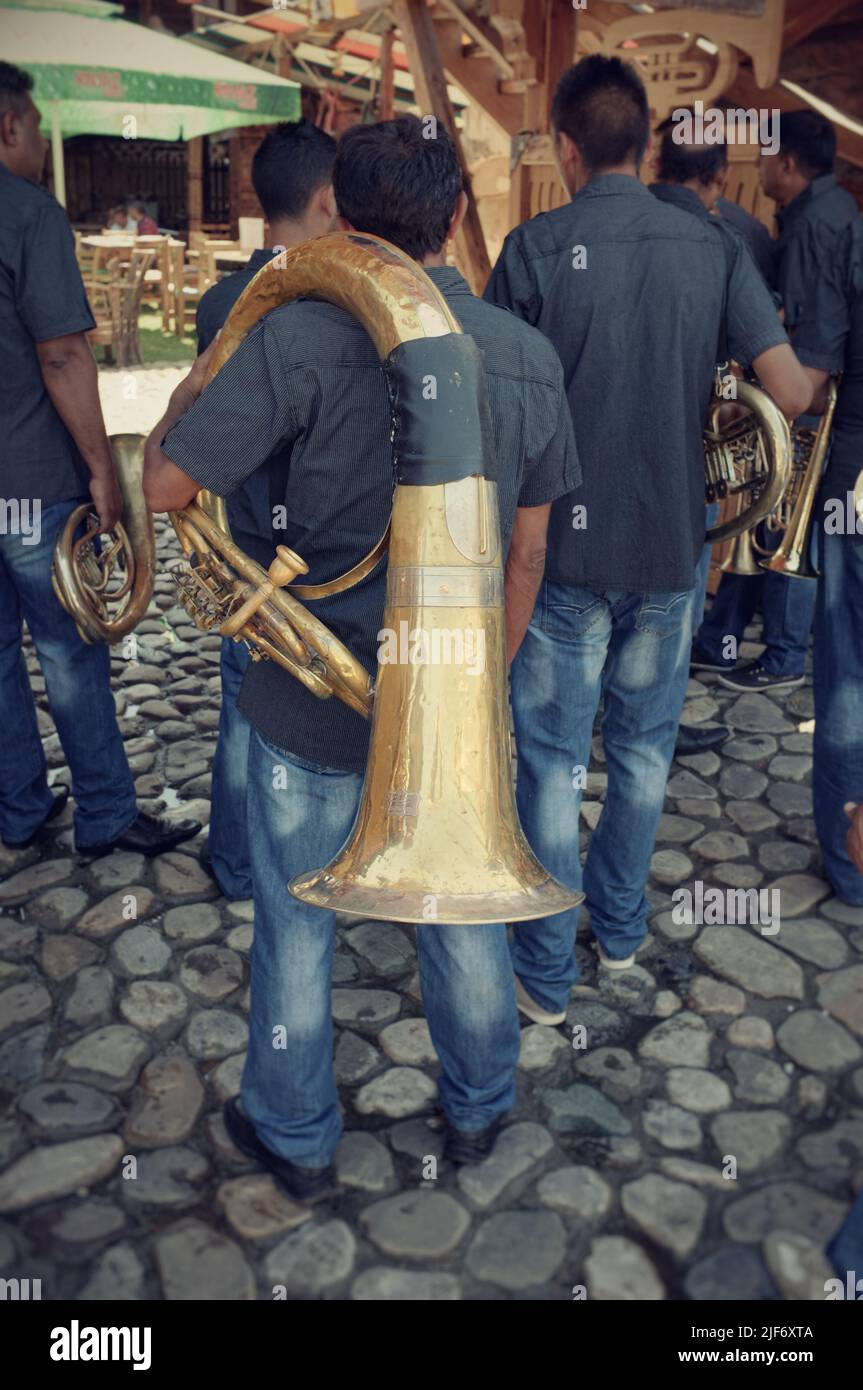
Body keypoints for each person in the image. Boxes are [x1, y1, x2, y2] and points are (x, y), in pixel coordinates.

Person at [143, 115, 580, 1195]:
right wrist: (470, 693)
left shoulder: (293, 336)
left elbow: (164, 485)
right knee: (462, 916)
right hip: (451, 698)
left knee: (295, 929)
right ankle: (479, 1110)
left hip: (306, 705)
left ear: (339, 208)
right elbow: (528, 555)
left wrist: (194, 382)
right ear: (455, 214)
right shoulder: (525, 353)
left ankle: (295, 1137)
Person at [485, 55, 811, 1025]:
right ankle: (621, 931)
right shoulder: (711, 246)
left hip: (558, 558)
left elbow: (488, 409)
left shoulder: (534, 247)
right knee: (639, 755)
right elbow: (790, 392)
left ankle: (544, 976)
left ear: (565, 147)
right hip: (671, 552)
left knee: (551, 763)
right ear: (641, 142)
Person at [0, 61, 201, 859]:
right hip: (31, 484)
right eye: (35, 126)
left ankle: (18, 809)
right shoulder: (27, 213)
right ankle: (106, 814)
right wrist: (99, 470)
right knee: (69, 649)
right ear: (10, 125)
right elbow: (62, 356)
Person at [196, 120, 338, 901]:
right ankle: (311, 856)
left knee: (240, 711)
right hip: (327, 556)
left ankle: (235, 861)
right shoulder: (341, 300)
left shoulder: (220, 301)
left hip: (245, 547)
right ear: (328, 198)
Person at [693, 109, 858, 693]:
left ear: (786, 164)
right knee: (766, 511)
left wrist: (784, 401)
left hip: (817, 393)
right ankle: (721, 640)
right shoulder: (823, 210)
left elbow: (818, 333)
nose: (758, 166)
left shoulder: (816, 225)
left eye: (764, 156)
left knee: (791, 514)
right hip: (811, 386)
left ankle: (784, 656)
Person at [649, 117, 768, 757]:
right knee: (672, 614)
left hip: (590, 477)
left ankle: (599, 724)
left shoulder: (584, 234)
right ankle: (655, 725)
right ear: (721, 175)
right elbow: (790, 389)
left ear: (654, 163)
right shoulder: (724, 244)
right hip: (682, 476)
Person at [796, 214, 863, 906]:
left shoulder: (849, 240)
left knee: (847, 669)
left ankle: (851, 868)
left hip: (857, 483)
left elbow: (810, 385)